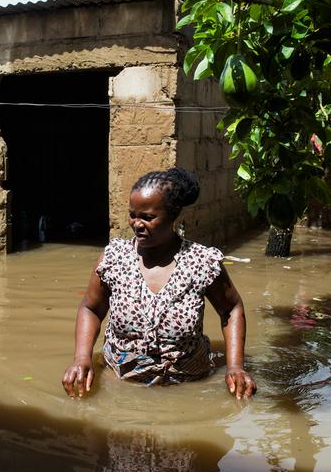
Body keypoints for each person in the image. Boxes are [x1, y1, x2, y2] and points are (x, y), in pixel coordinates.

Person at [62, 168, 257, 399]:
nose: (137, 224)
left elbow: (231, 309)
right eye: (133, 215)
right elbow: (91, 308)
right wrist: (82, 358)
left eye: (148, 217)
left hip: (188, 387)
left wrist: (235, 366)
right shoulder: (114, 258)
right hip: (120, 383)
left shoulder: (201, 262)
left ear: (173, 214)